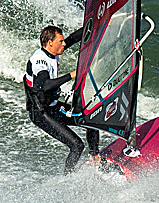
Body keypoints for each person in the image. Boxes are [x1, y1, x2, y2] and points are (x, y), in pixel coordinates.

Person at [24, 25, 101, 174]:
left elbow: (73, 38)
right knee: (77, 145)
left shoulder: (54, 51)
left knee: (91, 117)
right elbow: (45, 85)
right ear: (50, 42)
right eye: (60, 41)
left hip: (53, 106)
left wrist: (97, 23)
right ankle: (68, 178)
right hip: (41, 113)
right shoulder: (40, 61)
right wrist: (72, 75)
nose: (64, 44)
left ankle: (94, 157)